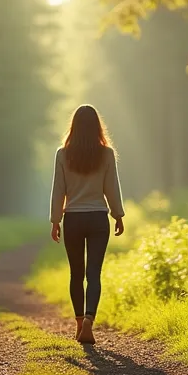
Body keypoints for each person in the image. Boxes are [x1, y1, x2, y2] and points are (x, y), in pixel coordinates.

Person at [50, 105, 125, 345]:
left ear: (73, 126)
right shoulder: (106, 154)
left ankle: (80, 323)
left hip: (72, 218)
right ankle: (90, 322)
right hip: (97, 219)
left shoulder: (63, 154)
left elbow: (58, 190)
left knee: (76, 273)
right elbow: (111, 188)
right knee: (94, 274)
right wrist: (118, 214)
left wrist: (55, 220)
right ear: (97, 127)